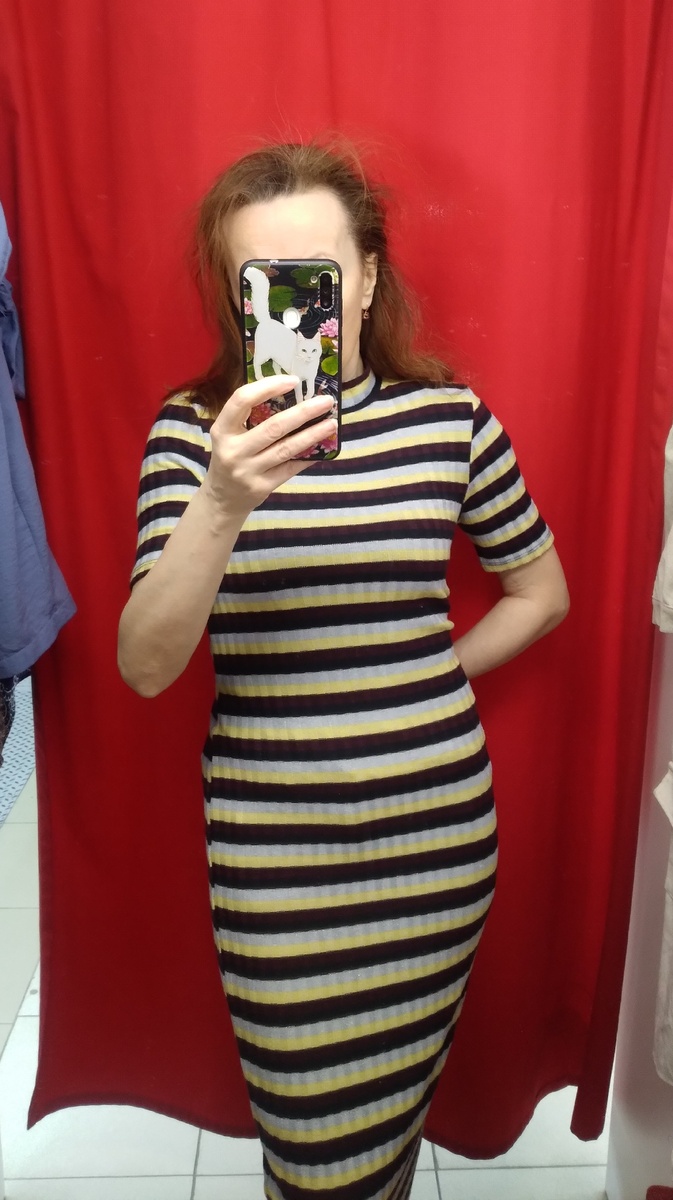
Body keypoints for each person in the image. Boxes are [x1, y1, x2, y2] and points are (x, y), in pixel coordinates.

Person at [118, 141, 569, 1200]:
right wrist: (223, 501)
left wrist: (418, 675)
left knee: (388, 1131)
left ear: (364, 277)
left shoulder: (449, 420)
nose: (290, 305)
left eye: (313, 274)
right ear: (235, 298)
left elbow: (541, 593)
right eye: (259, 281)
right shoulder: (195, 436)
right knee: (315, 1156)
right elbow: (145, 666)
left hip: (432, 843)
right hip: (272, 853)